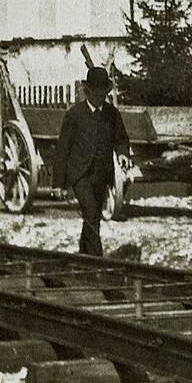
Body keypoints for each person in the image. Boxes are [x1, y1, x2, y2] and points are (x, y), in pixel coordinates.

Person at [53, 64, 131, 257]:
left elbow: (121, 138)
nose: (99, 98)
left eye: (102, 94)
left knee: (92, 216)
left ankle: (84, 256)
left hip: (102, 174)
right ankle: (97, 258)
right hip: (80, 174)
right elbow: (62, 150)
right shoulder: (74, 115)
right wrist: (59, 184)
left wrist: (122, 153)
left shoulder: (112, 114)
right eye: (96, 94)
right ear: (88, 92)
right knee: (91, 211)